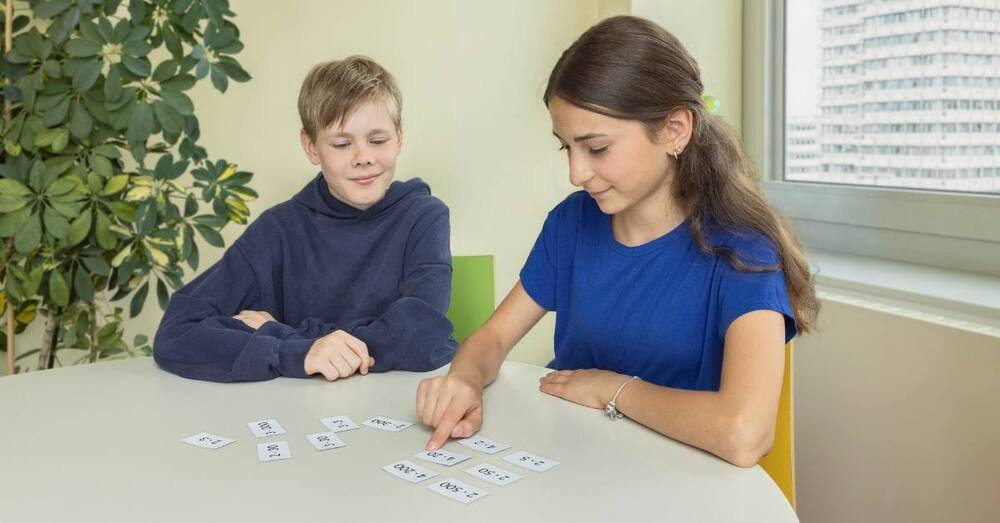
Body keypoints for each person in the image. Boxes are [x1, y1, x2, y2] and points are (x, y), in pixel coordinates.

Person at [415, 16, 818, 467]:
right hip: (567, 462)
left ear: (675, 130)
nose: (576, 173)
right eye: (567, 147)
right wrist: (465, 380)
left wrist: (613, 389)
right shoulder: (572, 223)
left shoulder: (744, 250)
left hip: (678, 483)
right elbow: (492, 338)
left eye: (597, 148)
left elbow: (744, 433)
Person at [154, 56, 457, 382]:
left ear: (399, 137)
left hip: (397, 401)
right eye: (342, 144)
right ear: (311, 147)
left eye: (378, 140)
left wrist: (284, 335)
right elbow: (177, 332)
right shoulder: (277, 230)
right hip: (300, 413)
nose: (364, 158)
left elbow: (422, 333)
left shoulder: (424, 217)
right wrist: (301, 353)